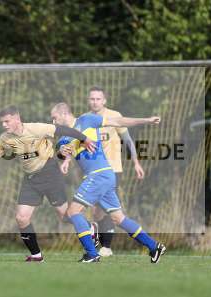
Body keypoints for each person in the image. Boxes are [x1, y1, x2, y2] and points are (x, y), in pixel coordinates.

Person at [0, 105, 96, 262]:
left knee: (65, 216)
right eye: (2, 122)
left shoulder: (36, 128)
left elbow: (63, 130)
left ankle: (89, 227)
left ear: (17, 118)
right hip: (31, 179)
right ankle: (36, 255)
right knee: (21, 218)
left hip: (50, 173)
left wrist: (84, 139)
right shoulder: (5, 139)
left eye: (7, 121)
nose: (4, 125)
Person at [51, 103, 166, 263]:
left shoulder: (86, 120)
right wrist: (64, 158)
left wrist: (146, 120)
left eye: (55, 118)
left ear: (64, 114)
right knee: (119, 219)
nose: (54, 123)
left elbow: (118, 122)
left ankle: (91, 253)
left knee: (73, 212)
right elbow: (62, 151)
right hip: (105, 176)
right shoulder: (63, 137)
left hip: (98, 175)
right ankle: (154, 246)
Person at [87, 86, 145, 257]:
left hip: (112, 170)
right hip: (94, 171)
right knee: (98, 211)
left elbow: (127, 140)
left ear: (104, 100)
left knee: (108, 210)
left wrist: (136, 163)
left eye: (98, 99)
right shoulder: (85, 119)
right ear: (88, 100)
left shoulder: (114, 116)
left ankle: (106, 246)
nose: (95, 102)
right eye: (92, 99)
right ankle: (101, 240)